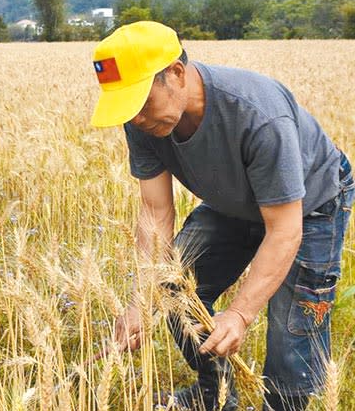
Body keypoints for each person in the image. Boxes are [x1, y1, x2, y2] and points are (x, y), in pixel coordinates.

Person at [90, 21, 354, 411]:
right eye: (127, 109)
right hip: (232, 201)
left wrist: (240, 314)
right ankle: (214, 392)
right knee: (173, 288)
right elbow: (155, 211)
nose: (137, 120)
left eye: (141, 103)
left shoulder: (257, 114)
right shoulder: (142, 121)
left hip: (309, 205)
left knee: (292, 328)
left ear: (176, 74)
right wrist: (138, 303)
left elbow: (284, 229)